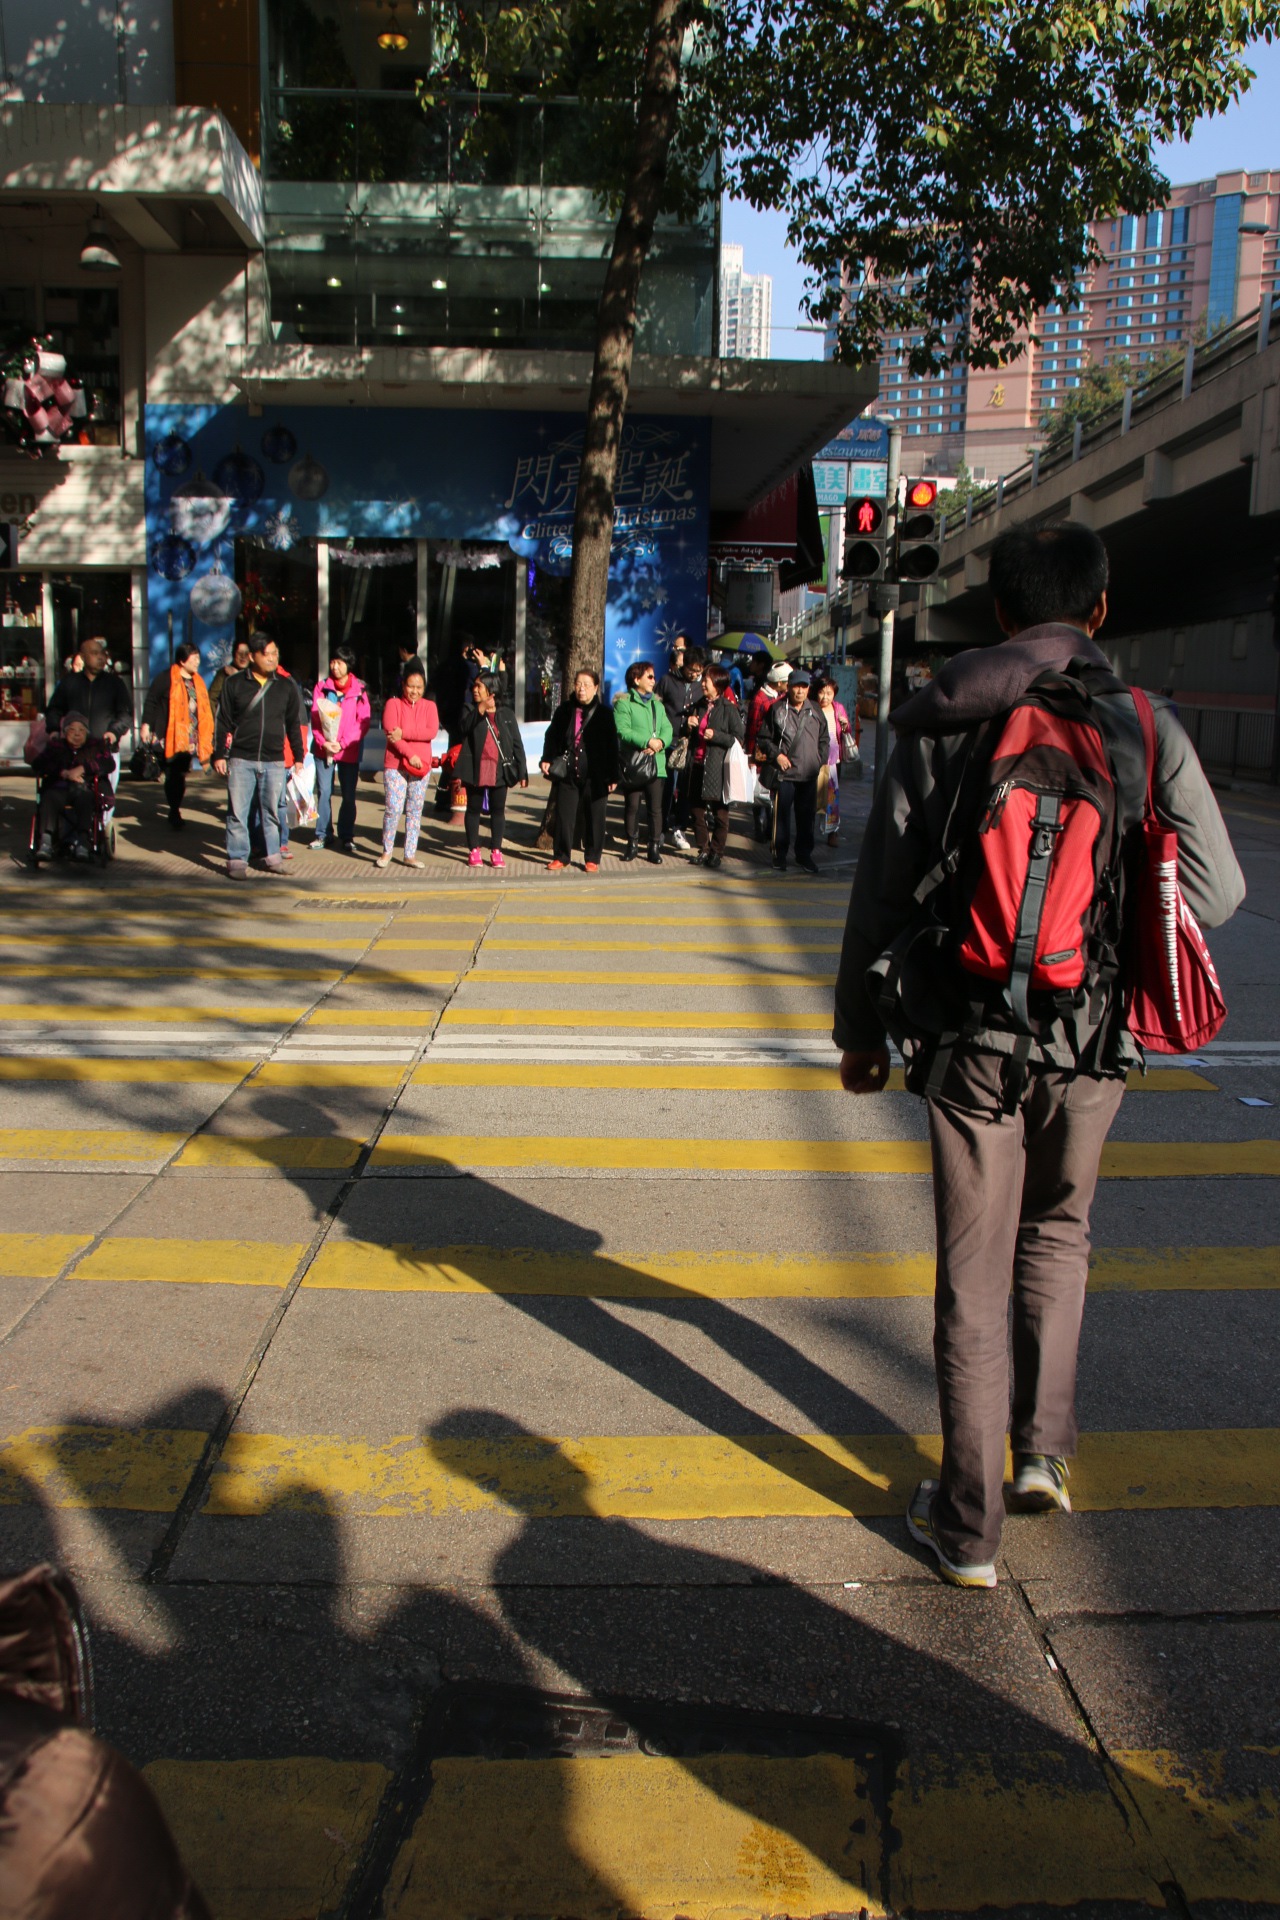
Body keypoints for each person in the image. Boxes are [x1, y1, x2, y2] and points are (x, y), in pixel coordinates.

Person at [834, 520, 1245, 1590]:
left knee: (970, 1275)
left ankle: (966, 1530)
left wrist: (859, 1032)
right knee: (1058, 1236)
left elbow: (881, 892)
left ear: (1002, 613)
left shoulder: (944, 718)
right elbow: (1217, 892)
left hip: (967, 1035)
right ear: (1099, 610)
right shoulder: (1143, 726)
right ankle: (1041, 1457)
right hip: (1093, 1038)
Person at [213, 632, 305, 879]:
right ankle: (237, 860)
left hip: (274, 760)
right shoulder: (234, 684)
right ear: (253, 656)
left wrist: (298, 757)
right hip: (241, 759)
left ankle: (273, 857)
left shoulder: (285, 686)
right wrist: (219, 754)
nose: (273, 658)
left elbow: (293, 724)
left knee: (272, 812)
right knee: (238, 812)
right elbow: (222, 721)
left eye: (275, 653)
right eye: (267, 654)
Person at [540, 667, 619, 872]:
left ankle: (592, 857)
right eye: (578, 684)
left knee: (595, 818)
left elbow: (612, 746)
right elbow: (552, 736)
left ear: (596, 688)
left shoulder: (604, 714)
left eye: (586, 685)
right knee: (564, 817)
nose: (581, 689)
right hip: (568, 773)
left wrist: (613, 776)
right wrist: (547, 758)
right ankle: (561, 856)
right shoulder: (564, 711)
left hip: (596, 776)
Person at [45, 633, 132, 818]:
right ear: (83, 657)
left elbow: (125, 714)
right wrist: (53, 730)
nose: (100, 658)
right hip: (74, 751)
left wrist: (114, 732)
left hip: (104, 749)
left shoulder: (114, 684)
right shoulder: (70, 683)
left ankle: (102, 827)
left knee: (104, 797)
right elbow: (54, 709)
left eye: (103, 654)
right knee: (74, 794)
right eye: (94, 653)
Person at [755, 666, 827, 873]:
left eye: (804, 687)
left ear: (808, 689)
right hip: (785, 775)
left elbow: (824, 738)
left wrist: (818, 760)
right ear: (788, 687)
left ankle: (804, 855)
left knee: (806, 818)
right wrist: (777, 755)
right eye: (796, 686)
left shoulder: (815, 710)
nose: (800, 691)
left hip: (809, 775)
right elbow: (764, 738)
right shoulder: (777, 709)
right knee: (781, 818)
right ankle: (779, 855)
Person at [454, 671, 528, 867]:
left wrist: (522, 771)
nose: (475, 690)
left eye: (479, 686)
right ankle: (474, 850)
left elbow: (517, 743)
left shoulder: (506, 713)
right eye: (474, 686)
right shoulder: (469, 709)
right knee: (473, 809)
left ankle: (496, 850)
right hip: (475, 768)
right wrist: (480, 709)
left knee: (498, 810)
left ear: (491, 689)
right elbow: (463, 728)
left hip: (499, 769)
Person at [140, 640, 213, 831]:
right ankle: (174, 809)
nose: (197, 662)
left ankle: (174, 806)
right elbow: (151, 701)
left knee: (179, 773)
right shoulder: (166, 678)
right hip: (169, 735)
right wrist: (146, 725)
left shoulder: (197, 681)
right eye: (194, 658)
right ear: (182, 660)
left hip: (190, 737)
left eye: (198, 658)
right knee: (173, 773)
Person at [682, 664, 745, 869]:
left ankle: (717, 852)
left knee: (720, 814)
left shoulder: (729, 709)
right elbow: (686, 734)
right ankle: (703, 849)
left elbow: (739, 738)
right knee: (696, 811)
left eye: (706, 681)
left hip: (717, 767)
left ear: (717, 684)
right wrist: (688, 725)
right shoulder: (698, 705)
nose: (702, 684)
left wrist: (717, 736)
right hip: (696, 763)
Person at [377, 663, 439, 868]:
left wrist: (404, 733)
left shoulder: (430, 706)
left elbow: (431, 732)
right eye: (411, 686)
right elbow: (390, 732)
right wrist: (410, 754)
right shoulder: (393, 704)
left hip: (421, 766)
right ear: (403, 685)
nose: (415, 691)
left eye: (419, 687)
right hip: (395, 765)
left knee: (414, 810)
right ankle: (386, 851)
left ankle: (409, 854)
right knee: (393, 808)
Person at [310, 645, 372, 852]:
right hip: (324, 749)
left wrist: (343, 743)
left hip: (348, 750)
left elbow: (363, 722)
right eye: (332, 662)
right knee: (324, 791)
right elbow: (315, 718)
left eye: (339, 662)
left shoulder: (359, 690)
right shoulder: (322, 687)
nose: (334, 666)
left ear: (348, 664)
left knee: (348, 795)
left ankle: (346, 835)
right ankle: (323, 834)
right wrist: (323, 742)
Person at [30, 712, 114, 860]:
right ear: (64, 732)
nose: (77, 734)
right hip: (58, 788)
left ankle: (83, 843)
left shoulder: (95, 746)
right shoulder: (56, 746)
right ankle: (45, 842)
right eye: (72, 729)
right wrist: (62, 772)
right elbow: (38, 764)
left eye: (81, 730)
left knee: (86, 798)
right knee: (49, 796)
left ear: (87, 733)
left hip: (84, 788)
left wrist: (83, 769)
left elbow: (109, 764)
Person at [613, 660, 673, 864]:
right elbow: (623, 730)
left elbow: (668, 728)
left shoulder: (658, 705)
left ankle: (654, 847)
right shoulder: (624, 703)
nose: (654, 680)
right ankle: (632, 845)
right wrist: (646, 741)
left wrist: (660, 743)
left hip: (657, 763)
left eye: (654, 677)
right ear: (636, 679)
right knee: (632, 806)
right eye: (650, 676)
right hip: (634, 764)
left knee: (655, 809)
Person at [658, 645, 704, 850]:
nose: (694, 675)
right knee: (666, 788)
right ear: (683, 665)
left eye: (698, 671)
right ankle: (660, 829)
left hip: (689, 745)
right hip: (669, 742)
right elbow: (657, 708)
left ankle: (680, 829)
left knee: (685, 789)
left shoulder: (701, 686)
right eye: (691, 670)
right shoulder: (667, 681)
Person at [746, 661, 787, 841]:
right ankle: (759, 828)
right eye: (787, 681)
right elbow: (752, 729)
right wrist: (751, 755)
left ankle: (770, 828)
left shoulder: (778, 696)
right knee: (760, 790)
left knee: (770, 789)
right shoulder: (760, 699)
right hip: (761, 752)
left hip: (773, 751)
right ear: (779, 682)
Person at [814, 675, 856, 847]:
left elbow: (847, 730)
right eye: (822, 692)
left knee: (832, 795)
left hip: (833, 760)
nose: (825, 697)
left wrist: (845, 726)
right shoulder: (812, 707)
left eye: (829, 693)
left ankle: (832, 832)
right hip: (815, 759)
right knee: (814, 796)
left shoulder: (838, 708)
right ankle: (809, 830)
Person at [209, 637, 251, 710]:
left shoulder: (255, 673)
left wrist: (237, 676)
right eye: (240, 653)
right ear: (234, 654)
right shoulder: (224, 673)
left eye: (246, 653)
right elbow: (212, 698)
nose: (243, 657)